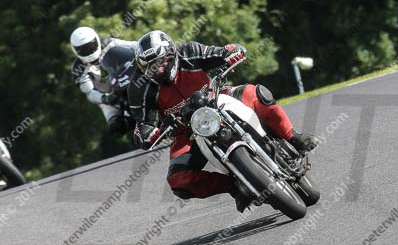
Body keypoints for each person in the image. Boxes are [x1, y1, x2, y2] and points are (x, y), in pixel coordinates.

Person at [128, 30, 318, 211]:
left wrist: (231, 52)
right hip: (187, 130)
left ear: (171, 53)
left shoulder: (189, 51)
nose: (158, 69)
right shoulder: (139, 88)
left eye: (161, 61)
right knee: (178, 180)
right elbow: (142, 124)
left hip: (217, 98)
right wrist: (146, 133)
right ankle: (235, 186)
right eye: (151, 67)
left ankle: (293, 137)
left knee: (257, 94)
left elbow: (219, 53)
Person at [70, 26, 137, 136]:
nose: (89, 51)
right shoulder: (78, 70)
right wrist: (105, 98)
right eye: (83, 50)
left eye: (91, 46)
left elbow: (133, 45)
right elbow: (90, 93)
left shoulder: (108, 43)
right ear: (76, 50)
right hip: (108, 94)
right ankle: (124, 120)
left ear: (96, 40)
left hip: (128, 78)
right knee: (117, 127)